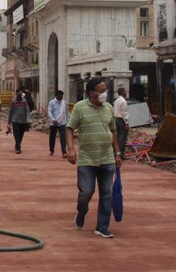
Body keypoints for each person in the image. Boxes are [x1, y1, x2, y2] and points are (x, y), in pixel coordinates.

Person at [66, 77, 122, 238]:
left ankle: (102, 226)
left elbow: (113, 131)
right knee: (86, 192)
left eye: (106, 90)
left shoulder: (108, 108)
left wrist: (117, 153)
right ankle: (81, 210)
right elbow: (69, 129)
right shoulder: (80, 108)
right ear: (91, 93)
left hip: (107, 158)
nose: (105, 93)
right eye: (102, 90)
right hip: (86, 159)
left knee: (107, 194)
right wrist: (70, 149)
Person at [48, 89, 69, 157]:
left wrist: (67, 121)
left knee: (63, 137)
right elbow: (49, 112)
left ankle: (64, 152)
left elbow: (65, 112)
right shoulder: (51, 102)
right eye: (59, 96)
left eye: (62, 96)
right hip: (53, 122)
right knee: (52, 137)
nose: (61, 97)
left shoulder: (64, 103)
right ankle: (51, 150)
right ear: (56, 96)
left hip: (62, 122)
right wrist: (53, 119)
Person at [113, 87, 129, 158]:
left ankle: (116, 152)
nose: (126, 93)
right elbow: (124, 113)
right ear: (123, 92)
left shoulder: (116, 101)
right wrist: (126, 123)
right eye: (125, 91)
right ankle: (121, 154)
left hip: (116, 119)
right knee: (123, 138)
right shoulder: (123, 101)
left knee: (118, 136)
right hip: (122, 120)